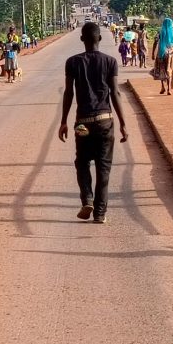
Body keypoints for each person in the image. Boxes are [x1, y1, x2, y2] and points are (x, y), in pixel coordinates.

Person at [59, 22, 128, 224]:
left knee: (82, 162)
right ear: (100, 38)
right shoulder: (110, 62)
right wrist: (123, 123)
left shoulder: (72, 62)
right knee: (103, 168)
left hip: (83, 123)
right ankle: (99, 213)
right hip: (105, 121)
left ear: (82, 39)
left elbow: (68, 93)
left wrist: (63, 121)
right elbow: (115, 93)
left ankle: (87, 198)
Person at [152, 18, 173, 95]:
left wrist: (153, 53)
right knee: (168, 70)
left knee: (161, 70)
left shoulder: (160, 32)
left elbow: (155, 42)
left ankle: (162, 87)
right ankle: (169, 89)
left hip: (161, 53)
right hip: (169, 54)